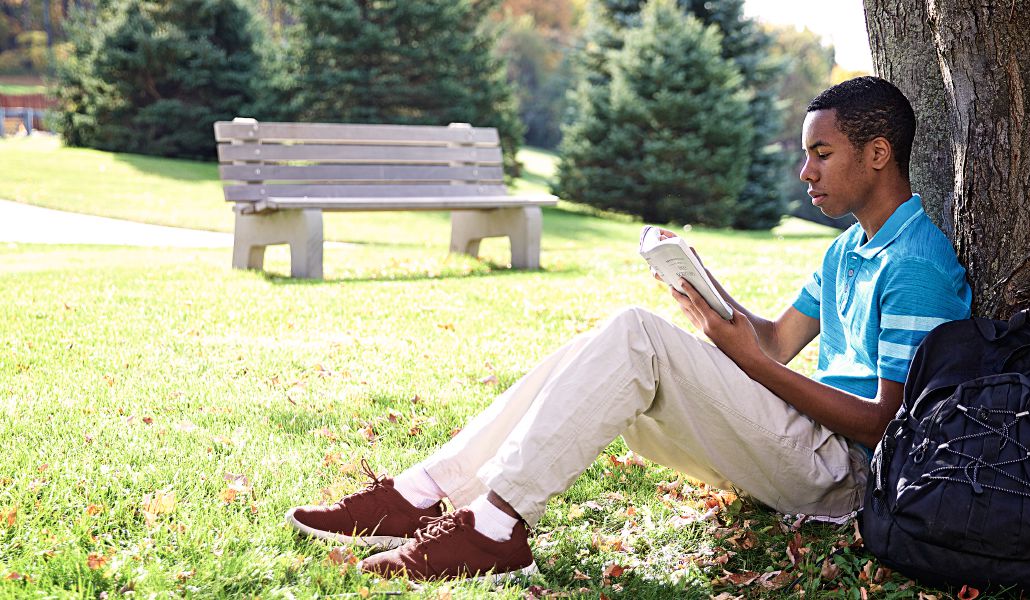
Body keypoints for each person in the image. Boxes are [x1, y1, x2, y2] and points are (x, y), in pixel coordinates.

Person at [283, 76, 972, 581]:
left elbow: (884, 424)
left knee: (633, 337)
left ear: (878, 154)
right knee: (606, 348)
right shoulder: (847, 249)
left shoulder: (917, 265)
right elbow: (778, 342)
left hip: (844, 475)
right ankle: (422, 494)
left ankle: (491, 529)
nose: (805, 171)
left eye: (822, 153)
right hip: (798, 443)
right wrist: (709, 296)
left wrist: (753, 365)